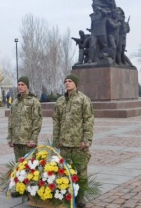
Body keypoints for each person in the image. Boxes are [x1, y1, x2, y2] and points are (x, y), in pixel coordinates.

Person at [52, 74, 94, 208]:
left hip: (78, 143)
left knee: (81, 171)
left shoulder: (84, 100)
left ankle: (80, 197)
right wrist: (56, 139)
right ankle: (65, 194)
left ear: (75, 83)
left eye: (70, 81)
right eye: (65, 81)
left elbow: (88, 121)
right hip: (64, 143)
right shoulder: (60, 101)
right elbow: (56, 121)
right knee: (64, 171)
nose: (67, 83)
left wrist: (86, 140)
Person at [7, 76, 43, 162]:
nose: (20, 87)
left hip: (28, 141)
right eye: (18, 84)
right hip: (16, 141)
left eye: (22, 84)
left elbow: (37, 121)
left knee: (31, 167)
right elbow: (11, 120)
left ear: (27, 86)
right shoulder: (15, 102)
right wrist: (10, 138)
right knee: (18, 167)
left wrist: (33, 139)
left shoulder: (34, 101)